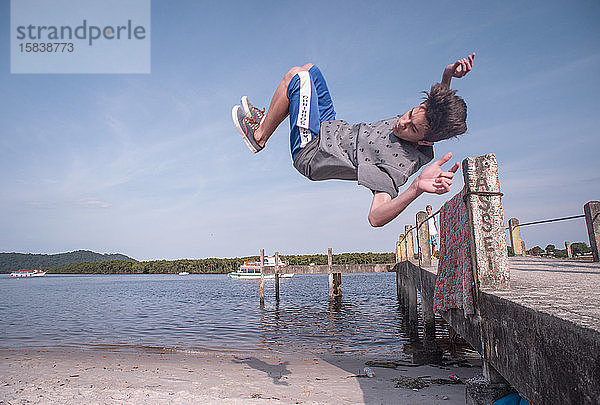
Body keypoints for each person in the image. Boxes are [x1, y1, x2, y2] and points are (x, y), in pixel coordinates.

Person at [232, 54, 475, 227]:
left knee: (297, 79)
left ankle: (259, 135)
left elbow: (376, 218)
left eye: (411, 129)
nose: (402, 123)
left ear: (423, 142)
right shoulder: (422, 122)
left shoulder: (395, 166)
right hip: (330, 128)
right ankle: (266, 122)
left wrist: (416, 188)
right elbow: (434, 114)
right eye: (409, 113)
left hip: (312, 151)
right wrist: (447, 76)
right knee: (310, 70)